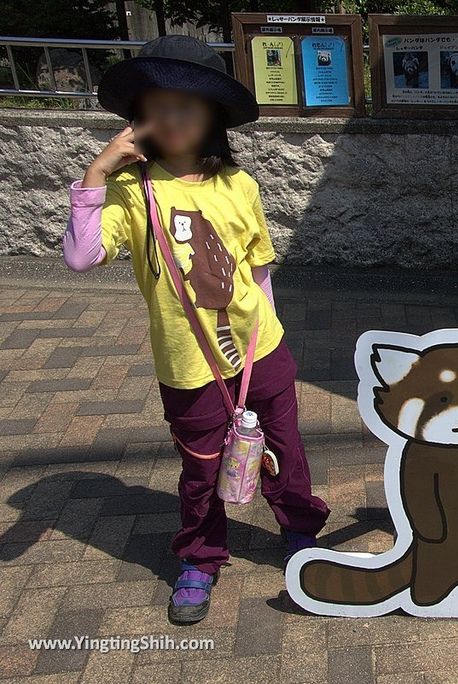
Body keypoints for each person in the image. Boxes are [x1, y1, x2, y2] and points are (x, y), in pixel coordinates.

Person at [63, 35, 330, 625]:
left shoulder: (238, 184)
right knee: (201, 465)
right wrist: (98, 170)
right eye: (159, 106)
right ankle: (200, 558)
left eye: (189, 105)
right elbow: (81, 259)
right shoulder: (132, 192)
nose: (174, 118)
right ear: (139, 118)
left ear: (213, 115)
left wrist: (272, 334)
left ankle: (301, 532)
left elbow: (258, 272)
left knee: (283, 450)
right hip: (189, 364)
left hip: (262, 349)